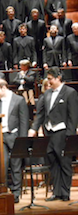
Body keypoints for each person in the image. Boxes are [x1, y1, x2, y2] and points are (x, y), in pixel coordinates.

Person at [28, 67, 78, 202]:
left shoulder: (70, 93)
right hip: (49, 133)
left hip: (62, 133)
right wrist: (34, 128)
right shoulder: (47, 94)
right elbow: (40, 114)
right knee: (53, 163)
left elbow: (73, 116)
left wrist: (70, 136)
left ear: (58, 78)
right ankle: (56, 192)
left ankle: (65, 192)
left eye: (50, 79)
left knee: (65, 163)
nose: (48, 81)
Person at [0, 79, 29, 203]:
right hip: (1, 137)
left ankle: (16, 193)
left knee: (16, 165)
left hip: (15, 136)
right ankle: (3, 190)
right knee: (2, 164)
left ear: (3, 88)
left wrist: (23, 141)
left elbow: (24, 121)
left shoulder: (19, 100)